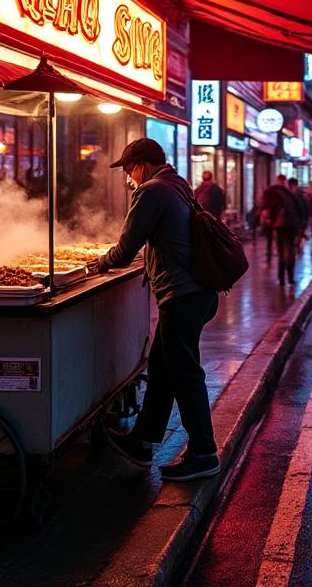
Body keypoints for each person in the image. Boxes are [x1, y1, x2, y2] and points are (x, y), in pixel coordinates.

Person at [93, 138, 221, 481]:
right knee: (162, 368)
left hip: (182, 296)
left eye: (129, 169)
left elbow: (124, 250)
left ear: (143, 165)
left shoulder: (151, 191)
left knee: (185, 374)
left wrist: (98, 263)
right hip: (197, 292)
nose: (128, 177)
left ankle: (204, 454)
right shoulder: (178, 184)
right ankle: (142, 440)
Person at [260, 176, 301, 286]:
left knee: (282, 252)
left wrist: (268, 223)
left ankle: (282, 278)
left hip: (281, 226)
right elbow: (299, 209)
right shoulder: (289, 194)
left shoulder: (272, 192)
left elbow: (266, 209)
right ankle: (290, 278)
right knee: (290, 252)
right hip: (291, 225)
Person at [288, 177, 311, 250]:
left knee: (297, 236)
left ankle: (297, 246)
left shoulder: (300, 195)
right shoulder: (288, 194)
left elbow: (304, 208)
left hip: (298, 219)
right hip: (292, 220)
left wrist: (305, 219)